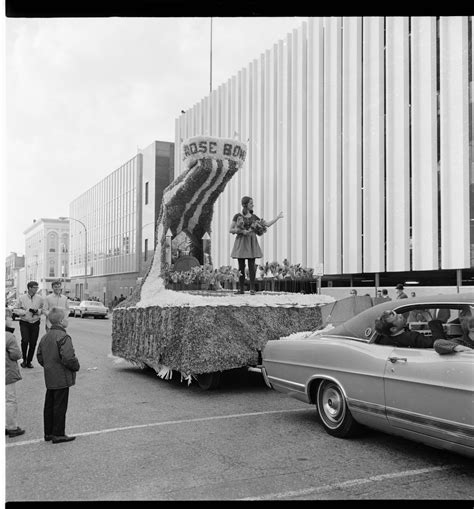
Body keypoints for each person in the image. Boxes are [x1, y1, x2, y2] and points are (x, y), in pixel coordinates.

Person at [37, 307, 80, 443]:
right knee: (60, 406)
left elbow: (39, 356)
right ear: (61, 321)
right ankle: (58, 433)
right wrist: (76, 366)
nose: (68, 320)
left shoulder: (45, 337)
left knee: (49, 404)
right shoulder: (63, 337)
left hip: (50, 375)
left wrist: (49, 365)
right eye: (66, 318)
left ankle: (48, 432)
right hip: (61, 376)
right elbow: (68, 358)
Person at [230, 196, 283, 295]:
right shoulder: (237, 216)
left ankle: (252, 288)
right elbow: (231, 229)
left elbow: (266, 224)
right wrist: (240, 231)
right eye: (251, 203)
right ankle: (241, 289)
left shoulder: (254, 217)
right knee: (241, 266)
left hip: (251, 243)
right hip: (241, 242)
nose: (252, 205)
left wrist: (277, 218)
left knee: (251, 266)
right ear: (245, 205)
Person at [374, 309, 444, 348]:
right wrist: (429, 318)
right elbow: (440, 343)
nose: (400, 315)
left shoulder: (382, 339)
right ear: (393, 329)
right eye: (398, 318)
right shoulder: (412, 337)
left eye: (398, 314)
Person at [5, 308, 25, 438]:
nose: (11, 320)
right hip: (6, 371)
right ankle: (11, 426)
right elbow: (16, 354)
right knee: (10, 400)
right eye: (9, 318)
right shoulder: (8, 336)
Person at [15, 281, 44, 368]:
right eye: (35, 287)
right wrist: (25, 312)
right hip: (24, 322)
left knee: (33, 342)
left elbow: (43, 309)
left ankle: (29, 361)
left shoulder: (40, 298)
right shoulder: (21, 298)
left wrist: (37, 311)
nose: (36, 289)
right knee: (25, 340)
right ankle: (24, 360)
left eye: (37, 287)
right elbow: (16, 309)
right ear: (30, 288)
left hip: (35, 322)